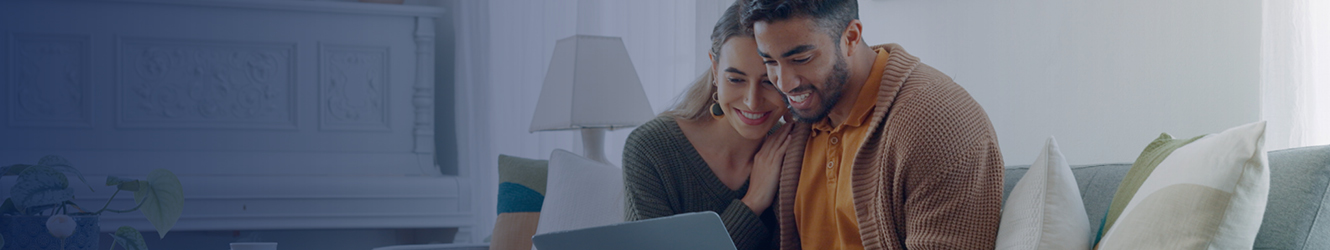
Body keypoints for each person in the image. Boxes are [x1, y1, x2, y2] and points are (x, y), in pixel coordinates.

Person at [741, 0, 1006, 249]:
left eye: (801, 59)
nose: (784, 83)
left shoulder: (939, 122)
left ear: (852, 37)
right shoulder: (800, 123)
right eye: (770, 62)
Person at [622, 2, 797, 250]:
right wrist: (753, 201)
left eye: (769, 82)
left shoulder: (793, 149)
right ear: (715, 69)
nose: (752, 101)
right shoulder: (651, 149)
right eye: (735, 79)